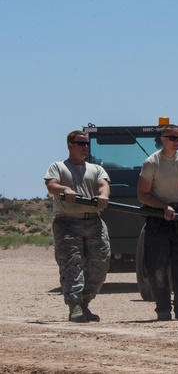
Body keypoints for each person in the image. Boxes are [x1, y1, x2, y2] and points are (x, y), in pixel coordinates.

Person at [43, 130, 111, 323]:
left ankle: (85, 303)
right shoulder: (58, 167)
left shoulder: (95, 168)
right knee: (72, 265)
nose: (85, 147)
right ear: (70, 145)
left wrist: (103, 195)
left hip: (93, 221)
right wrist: (65, 189)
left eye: (87, 144)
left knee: (99, 263)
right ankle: (74, 307)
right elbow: (51, 186)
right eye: (80, 143)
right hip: (67, 222)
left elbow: (103, 184)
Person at [137, 124, 178, 321]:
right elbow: (142, 195)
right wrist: (163, 206)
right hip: (158, 220)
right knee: (157, 267)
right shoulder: (152, 163)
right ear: (163, 139)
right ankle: (163, 309)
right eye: (173, 138)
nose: (177, 142)